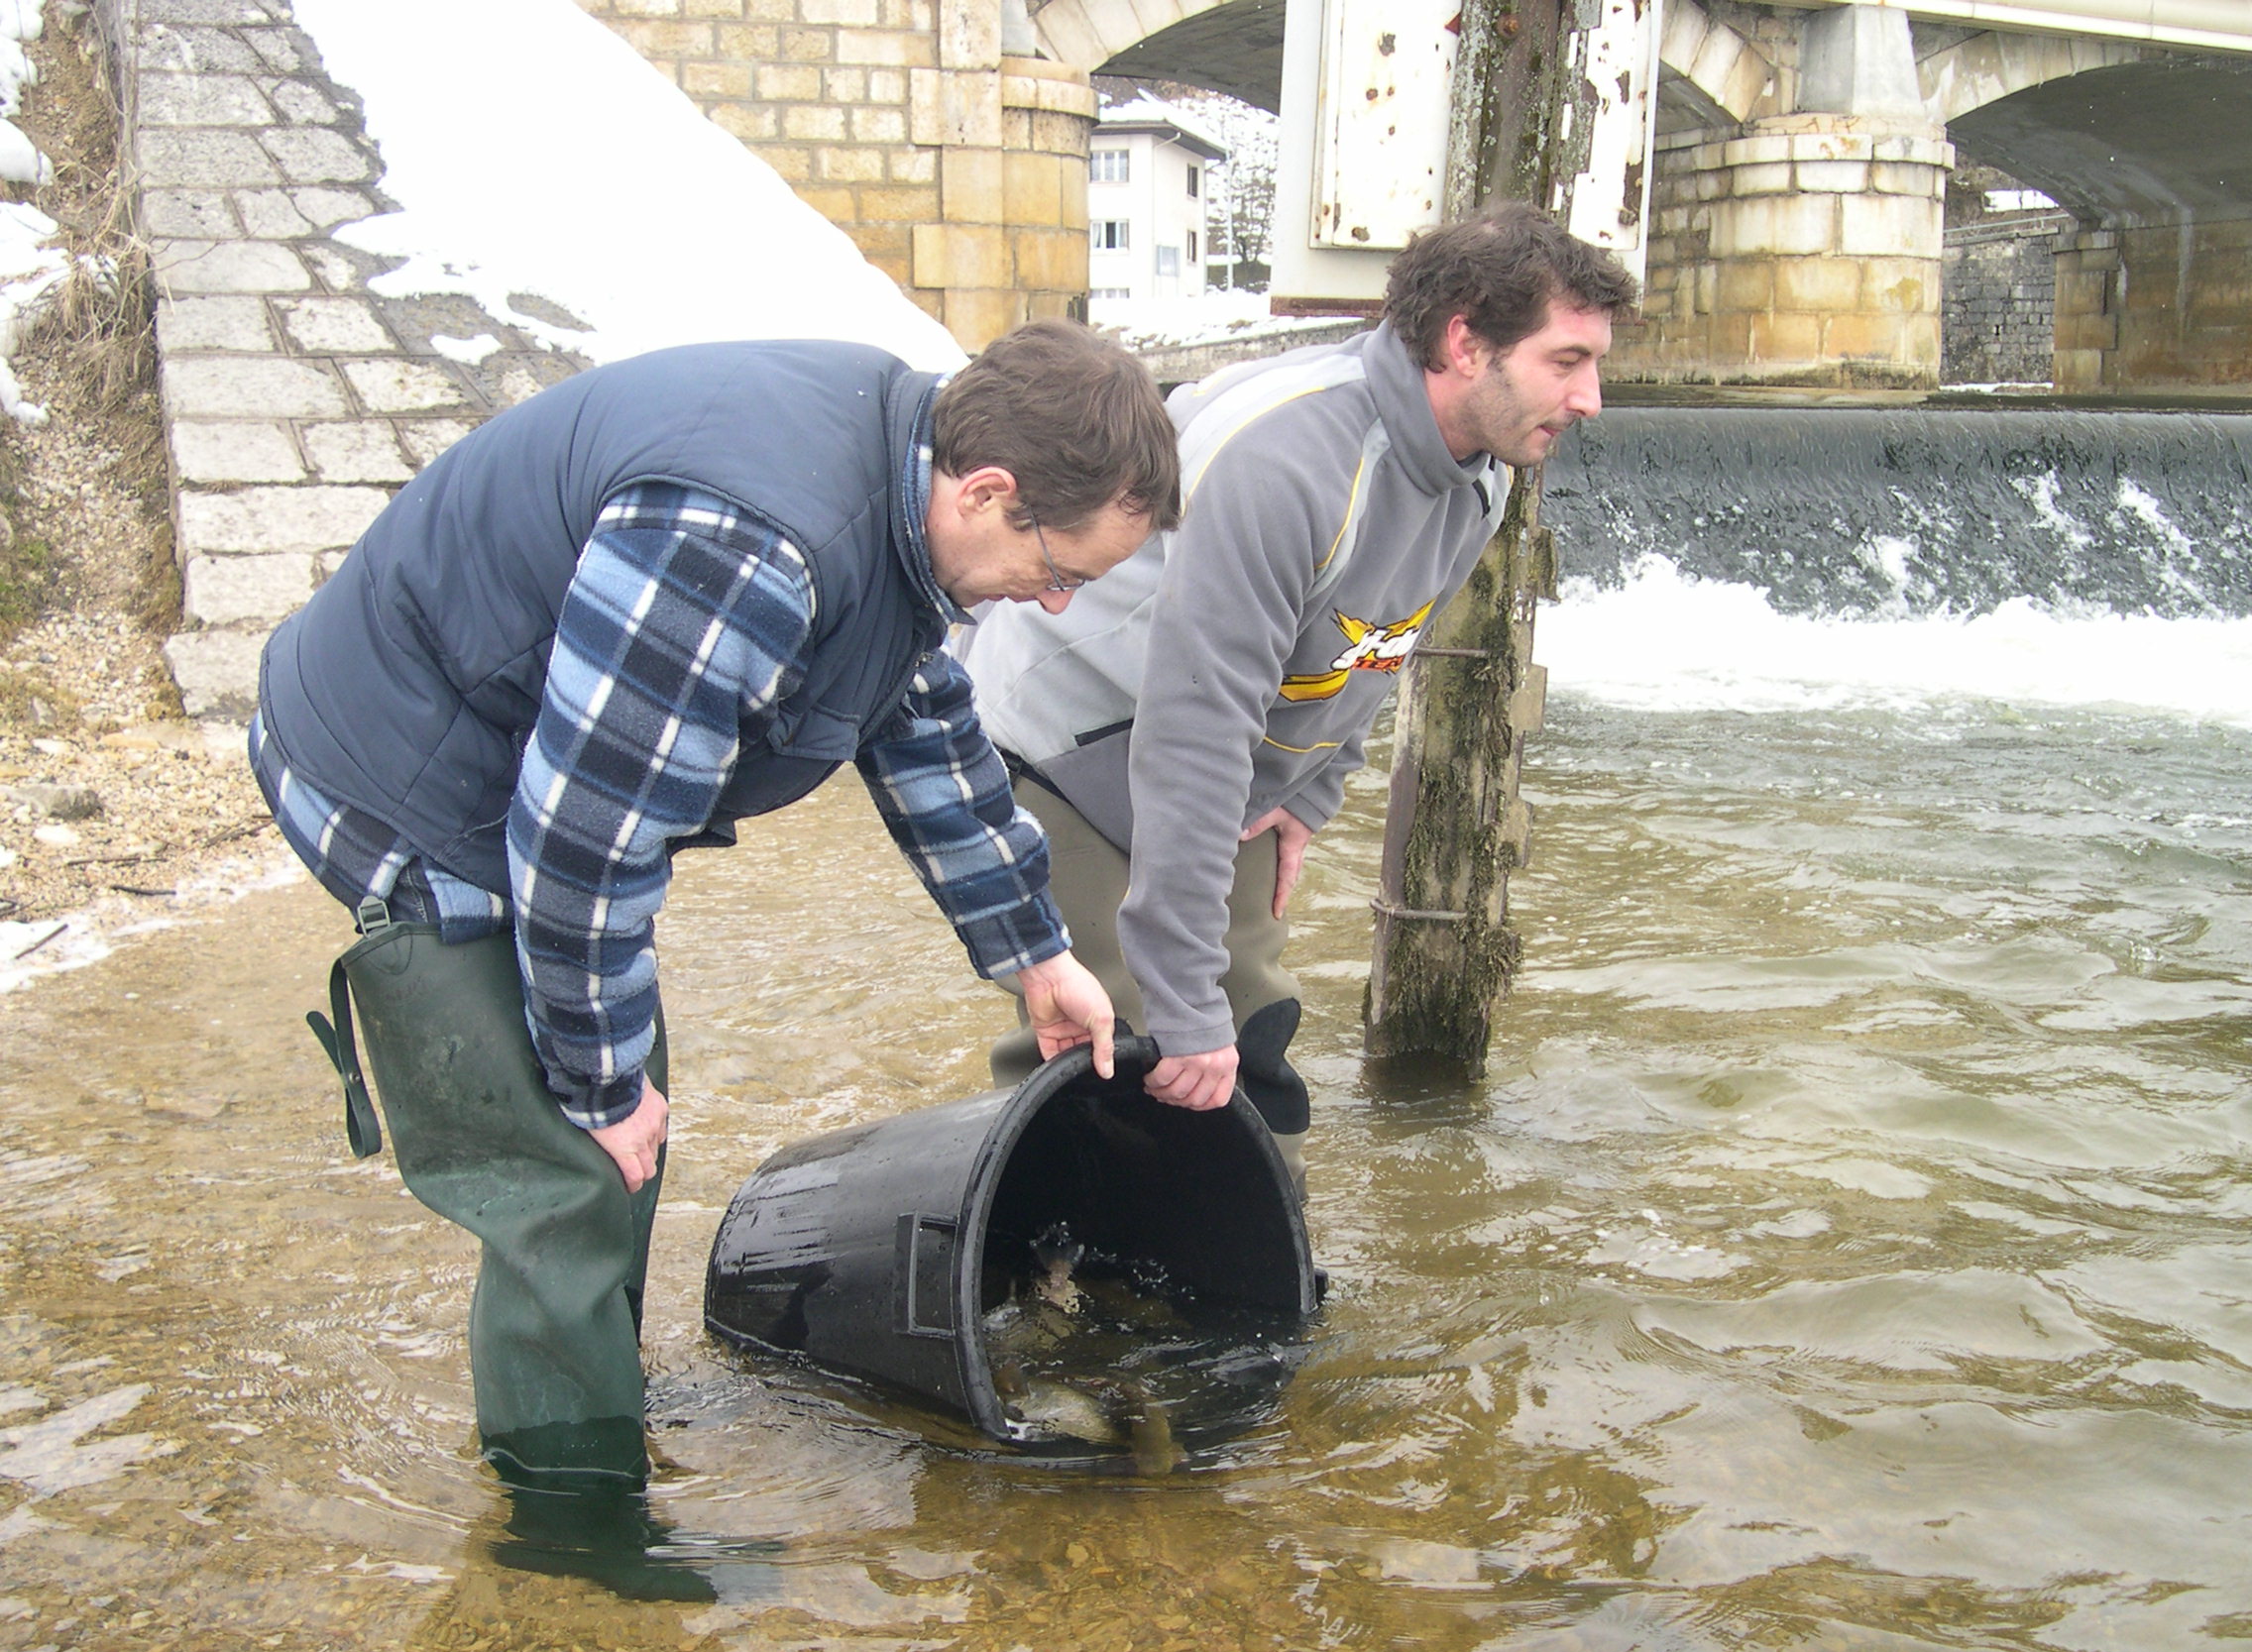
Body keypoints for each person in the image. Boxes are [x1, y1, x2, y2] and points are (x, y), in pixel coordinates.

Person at [251, 319, 1182, 1498]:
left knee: (618, 1098)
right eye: (1060, 571)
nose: (1052, 605)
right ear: (988, 491)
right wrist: (595, 1086)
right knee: (571, 1161)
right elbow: (587, 841)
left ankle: (598, 1397)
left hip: (525, 764)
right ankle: (574, 1522)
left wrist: (1035, 954)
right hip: (393, 768)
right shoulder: (746, 547)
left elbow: (917, 718)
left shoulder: (908, 477)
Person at [962, 206, 1636, 1191]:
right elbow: (1196, 735)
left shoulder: (1480, 476)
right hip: (1061, 735)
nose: (1591, 399)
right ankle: (1033, 1263)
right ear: (1463, 342)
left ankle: (1248, 1269)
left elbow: (1377, 643)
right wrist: (1183, 1006)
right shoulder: (1285, 461)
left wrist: (1308, 796)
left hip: (1218, 758)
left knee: (1251, 1040)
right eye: (1567, 361)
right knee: (1110, 1041)